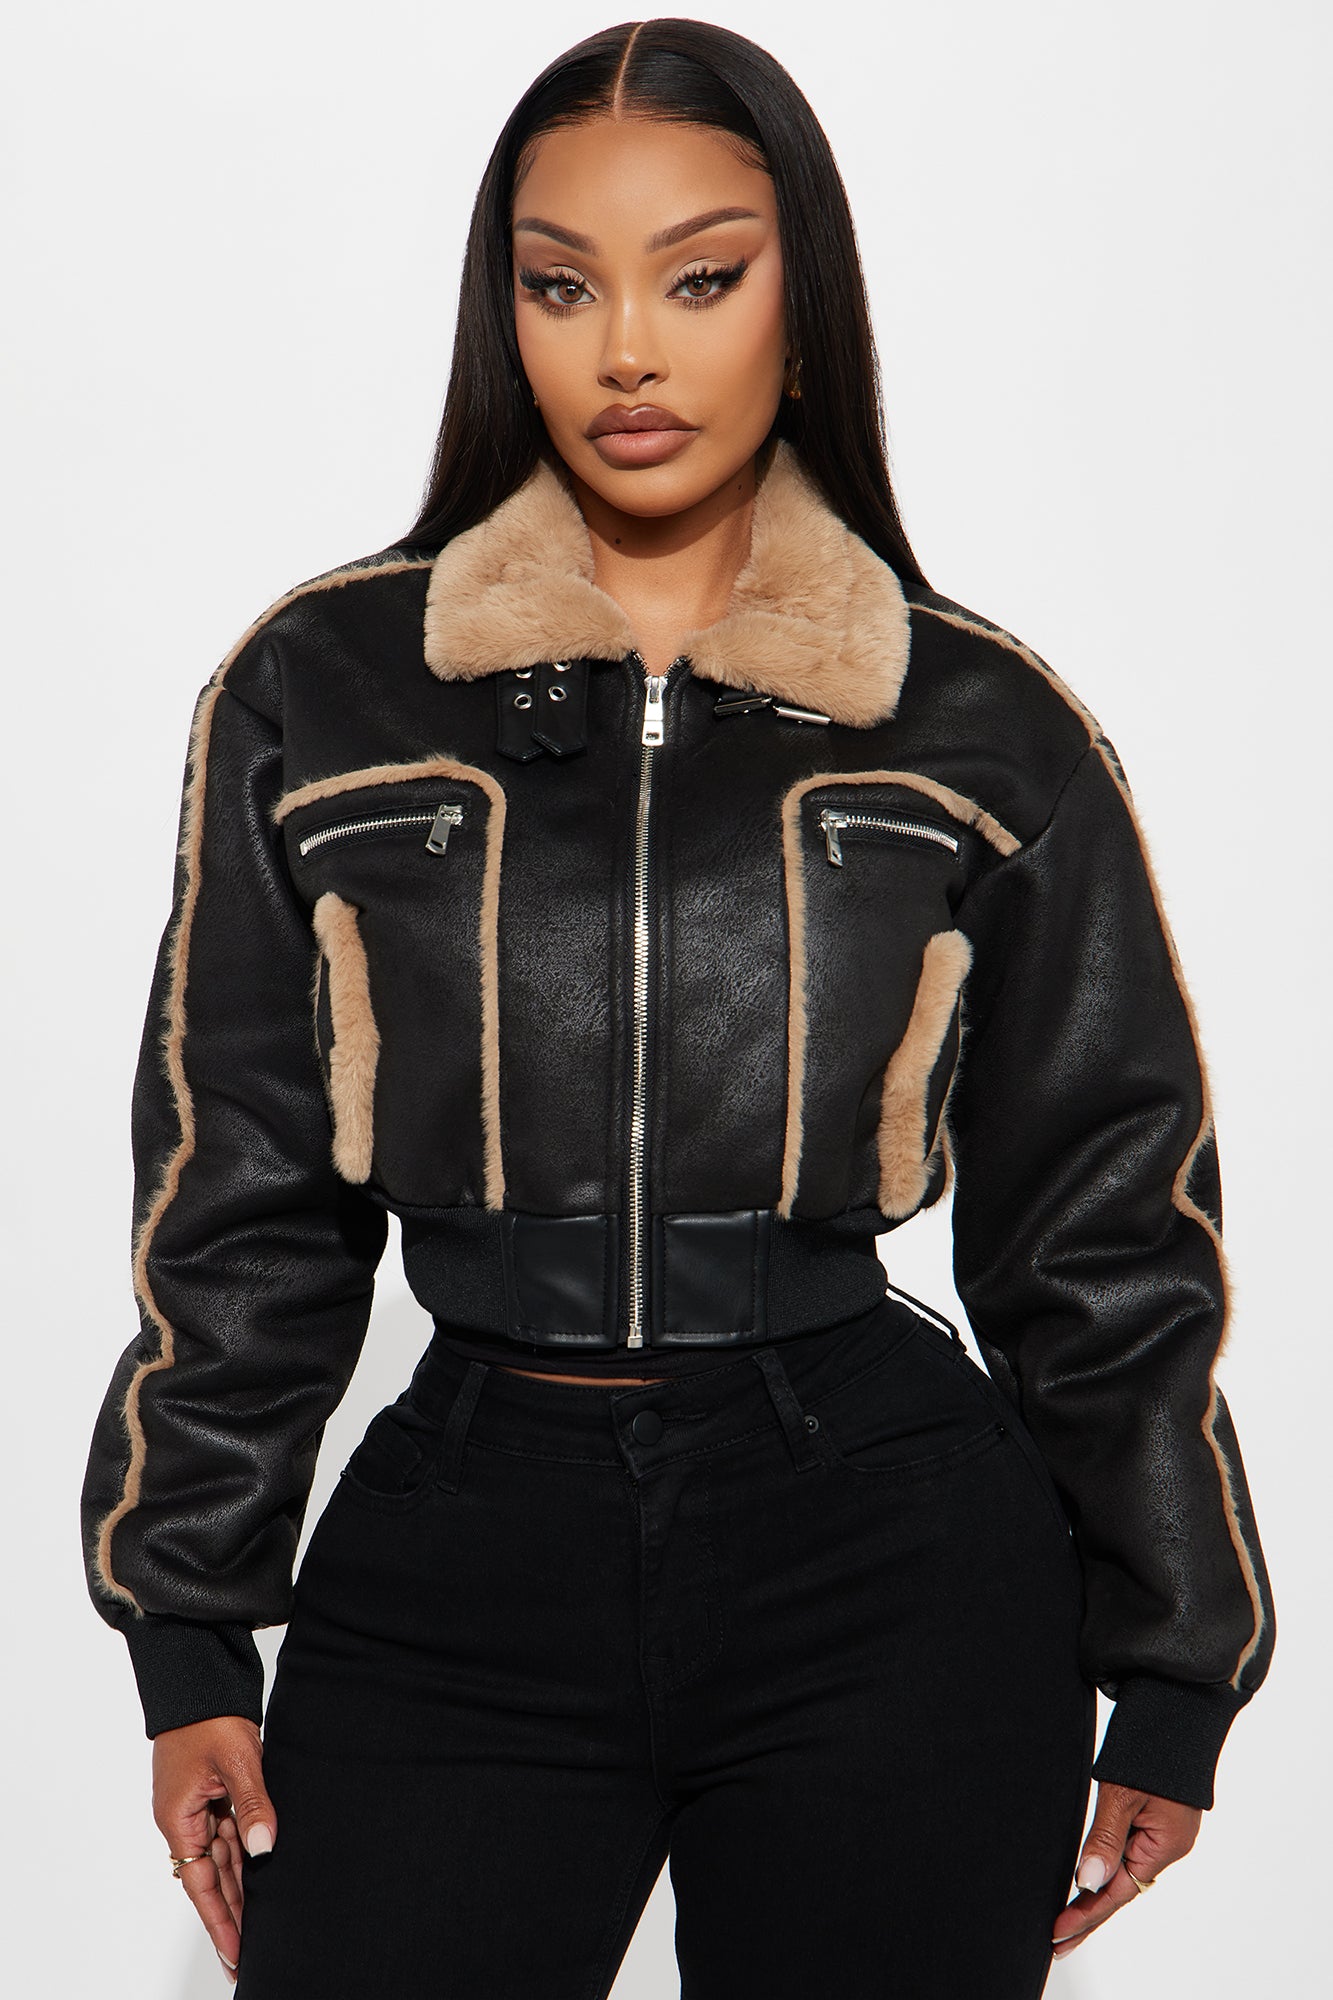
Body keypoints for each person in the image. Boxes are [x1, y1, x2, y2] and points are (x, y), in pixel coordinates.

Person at [80, 18, 1275, 1997]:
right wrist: (188, 1630)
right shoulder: (325, 691)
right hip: (464, 1534)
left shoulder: (973, 721)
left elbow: (1102, 1214)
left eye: (699, 277)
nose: (626, 349)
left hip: (886, 1554)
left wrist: (1174, 1660)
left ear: (802, 309)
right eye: (562, 285)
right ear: (505, 318)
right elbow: (239, 1192)